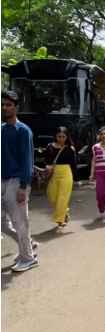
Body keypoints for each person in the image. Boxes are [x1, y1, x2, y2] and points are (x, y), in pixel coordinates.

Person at [1, 91, 38, 272]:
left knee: (20, 222)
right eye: (3, 104)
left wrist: (23, 186)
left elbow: (27, 160)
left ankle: (28, 257)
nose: (5, 107)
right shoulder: (1, 129)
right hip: (2, 180)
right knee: (2, 224)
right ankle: (28, 244)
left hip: (17, 182)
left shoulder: (23, 130)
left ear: (16, 107)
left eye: (8, 105)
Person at [44, 127, 77, 228]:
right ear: (56, 136)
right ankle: (64, 212)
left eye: (63, 136)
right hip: (54, 173)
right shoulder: (50, 146)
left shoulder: (70, 148)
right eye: (59, 136)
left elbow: (74, 165)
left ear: (67, 137)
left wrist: (75, 179)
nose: (61, 139)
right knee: (51, 195)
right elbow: (46, 161)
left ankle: (60, 220)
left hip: (66, 174)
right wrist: (47, 167)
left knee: (62, 198)